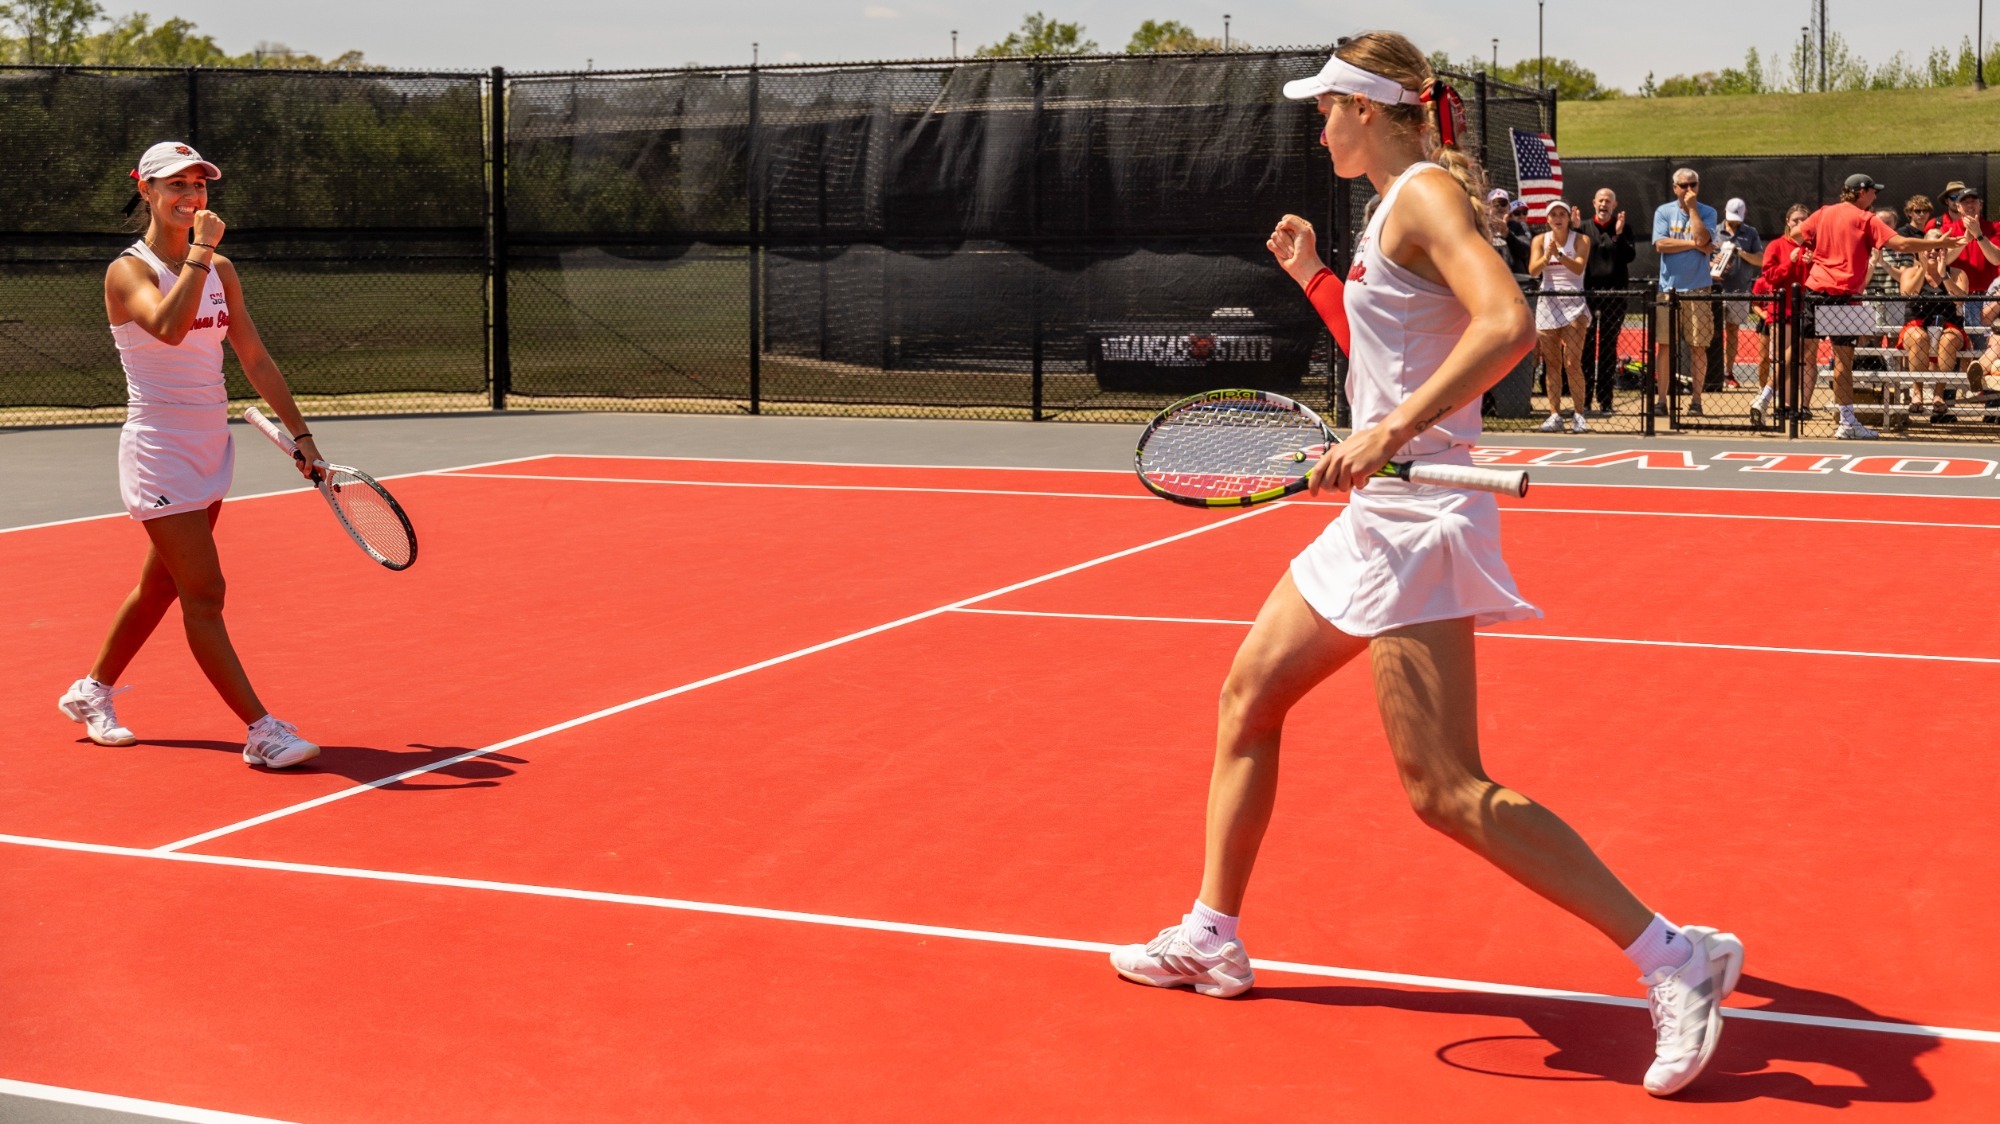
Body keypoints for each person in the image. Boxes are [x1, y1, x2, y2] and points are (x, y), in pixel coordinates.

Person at [1114, 32, 1743, 1101]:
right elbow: (1385, 354)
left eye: (1327, 110)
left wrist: (1394, 426)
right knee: (1246, 700)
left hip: (1418, 520)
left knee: (1445, 789)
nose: (1318, 127)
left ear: (1371, 109)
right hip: (1376, 511)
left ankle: (1674, 956)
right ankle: (1212, 933)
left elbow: (1503, 320)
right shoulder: (1384, 209)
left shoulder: (1419, 199)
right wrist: (1317, 280)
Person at [57, 141, 323, 769]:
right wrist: (201, 252)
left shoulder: (221, 270)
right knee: (205, 592)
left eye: (199, 185)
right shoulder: (129, 271)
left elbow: (253, 359)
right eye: (176, 185)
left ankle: (89, 692)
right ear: (145, 191)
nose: (191, 197)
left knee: (160, 589)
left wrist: (304, 439)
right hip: (159, 452)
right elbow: (171, 328)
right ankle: (262, 731)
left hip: (211, 448)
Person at [1796, 173, 1961, 439]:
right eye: (1873, 192)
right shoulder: (1865, 219)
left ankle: (1776, 404)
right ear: (1861, 192)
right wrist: (1939, 242)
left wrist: (1815, 248)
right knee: (1842, 362)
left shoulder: (1824, 212)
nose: (1876, 197)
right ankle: (1847, 422)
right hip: (1844, 294)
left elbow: (1796, 233)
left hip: (1814, 289)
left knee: (1799, 356)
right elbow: (1903, 243)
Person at [1652, 168, 1718, 416]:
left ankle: (1697, 401)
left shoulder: (1708, 211)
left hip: (1698, 287)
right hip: (1668, 288)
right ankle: (1661, 400)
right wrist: (1693, 245)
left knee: (1698, 346)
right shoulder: (1663, 211)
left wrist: (1693, 210)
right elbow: (1661, 244)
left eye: (1693, 184)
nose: (1689, 189)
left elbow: (1704, 238)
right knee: (1665, 346)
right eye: (1684, 185)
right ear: (1675, 187)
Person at [1530, 199, 1592, 432]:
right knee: (1552, 363)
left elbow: (1578, 268)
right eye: (1553, 214)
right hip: (1548, 303)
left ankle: (1579, 414)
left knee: (1572, 363)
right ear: (1547, 219)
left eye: (1562, 214)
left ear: (1568, 218)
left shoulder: (1582, 240)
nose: (1558, 218)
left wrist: (1560, 255)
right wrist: (1547, 257)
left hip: (1574, 303)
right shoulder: (1539, 240)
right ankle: (1554, 414)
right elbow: (1533, 270)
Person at [1748, 203, 1812, 428]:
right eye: (1796, 220)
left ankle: (1800, 405)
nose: (1800, 223)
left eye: (1804, 219)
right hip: (1781, 311)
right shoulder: (1776, 245)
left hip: (1806, 311)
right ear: (1788, 222)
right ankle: (1783, 406)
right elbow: (1769, 277)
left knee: (1803, 360)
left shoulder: (1813, 247)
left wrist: (1811, 263)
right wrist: (1790, 262)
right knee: (1780, 359)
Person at [1583, 187, 1637, 415]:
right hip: (1587, 296)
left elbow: (1629, 256)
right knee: (1584, 348)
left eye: (1609, 201)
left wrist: (1618, 234)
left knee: (1607, 347)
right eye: (1601, 200)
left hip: (1614, 296)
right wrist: (1574, 228)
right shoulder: (1584, 227)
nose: (1604, 204)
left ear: (1615, 205)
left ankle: (1605, 400)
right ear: (1594, 202)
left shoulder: (1623, 228)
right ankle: (1582, 400)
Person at [1712, 198, 1764, 390]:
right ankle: (1712, 373)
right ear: (1724, 211)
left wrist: (1741, 253)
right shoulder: (1714, 230)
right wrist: (1714, 264)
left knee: (1733, 331)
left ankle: (1728, 372)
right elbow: (1705, 257)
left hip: (1739, 290)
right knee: (1710, 332)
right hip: (1715, 290)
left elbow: (1761, 259)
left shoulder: (1750, 233)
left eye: (1737, 219)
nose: (1734, 222)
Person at [1485, 187, 1530, 274]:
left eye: (1503, 203)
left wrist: (1507, 233)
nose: (1499, 207)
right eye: (1495, 204)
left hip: (1516, 278)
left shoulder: (1518, 226)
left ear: (1509, 207)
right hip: (1490, 276)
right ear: (1488, 208)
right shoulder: (1482, 227)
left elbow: (1525, 252)